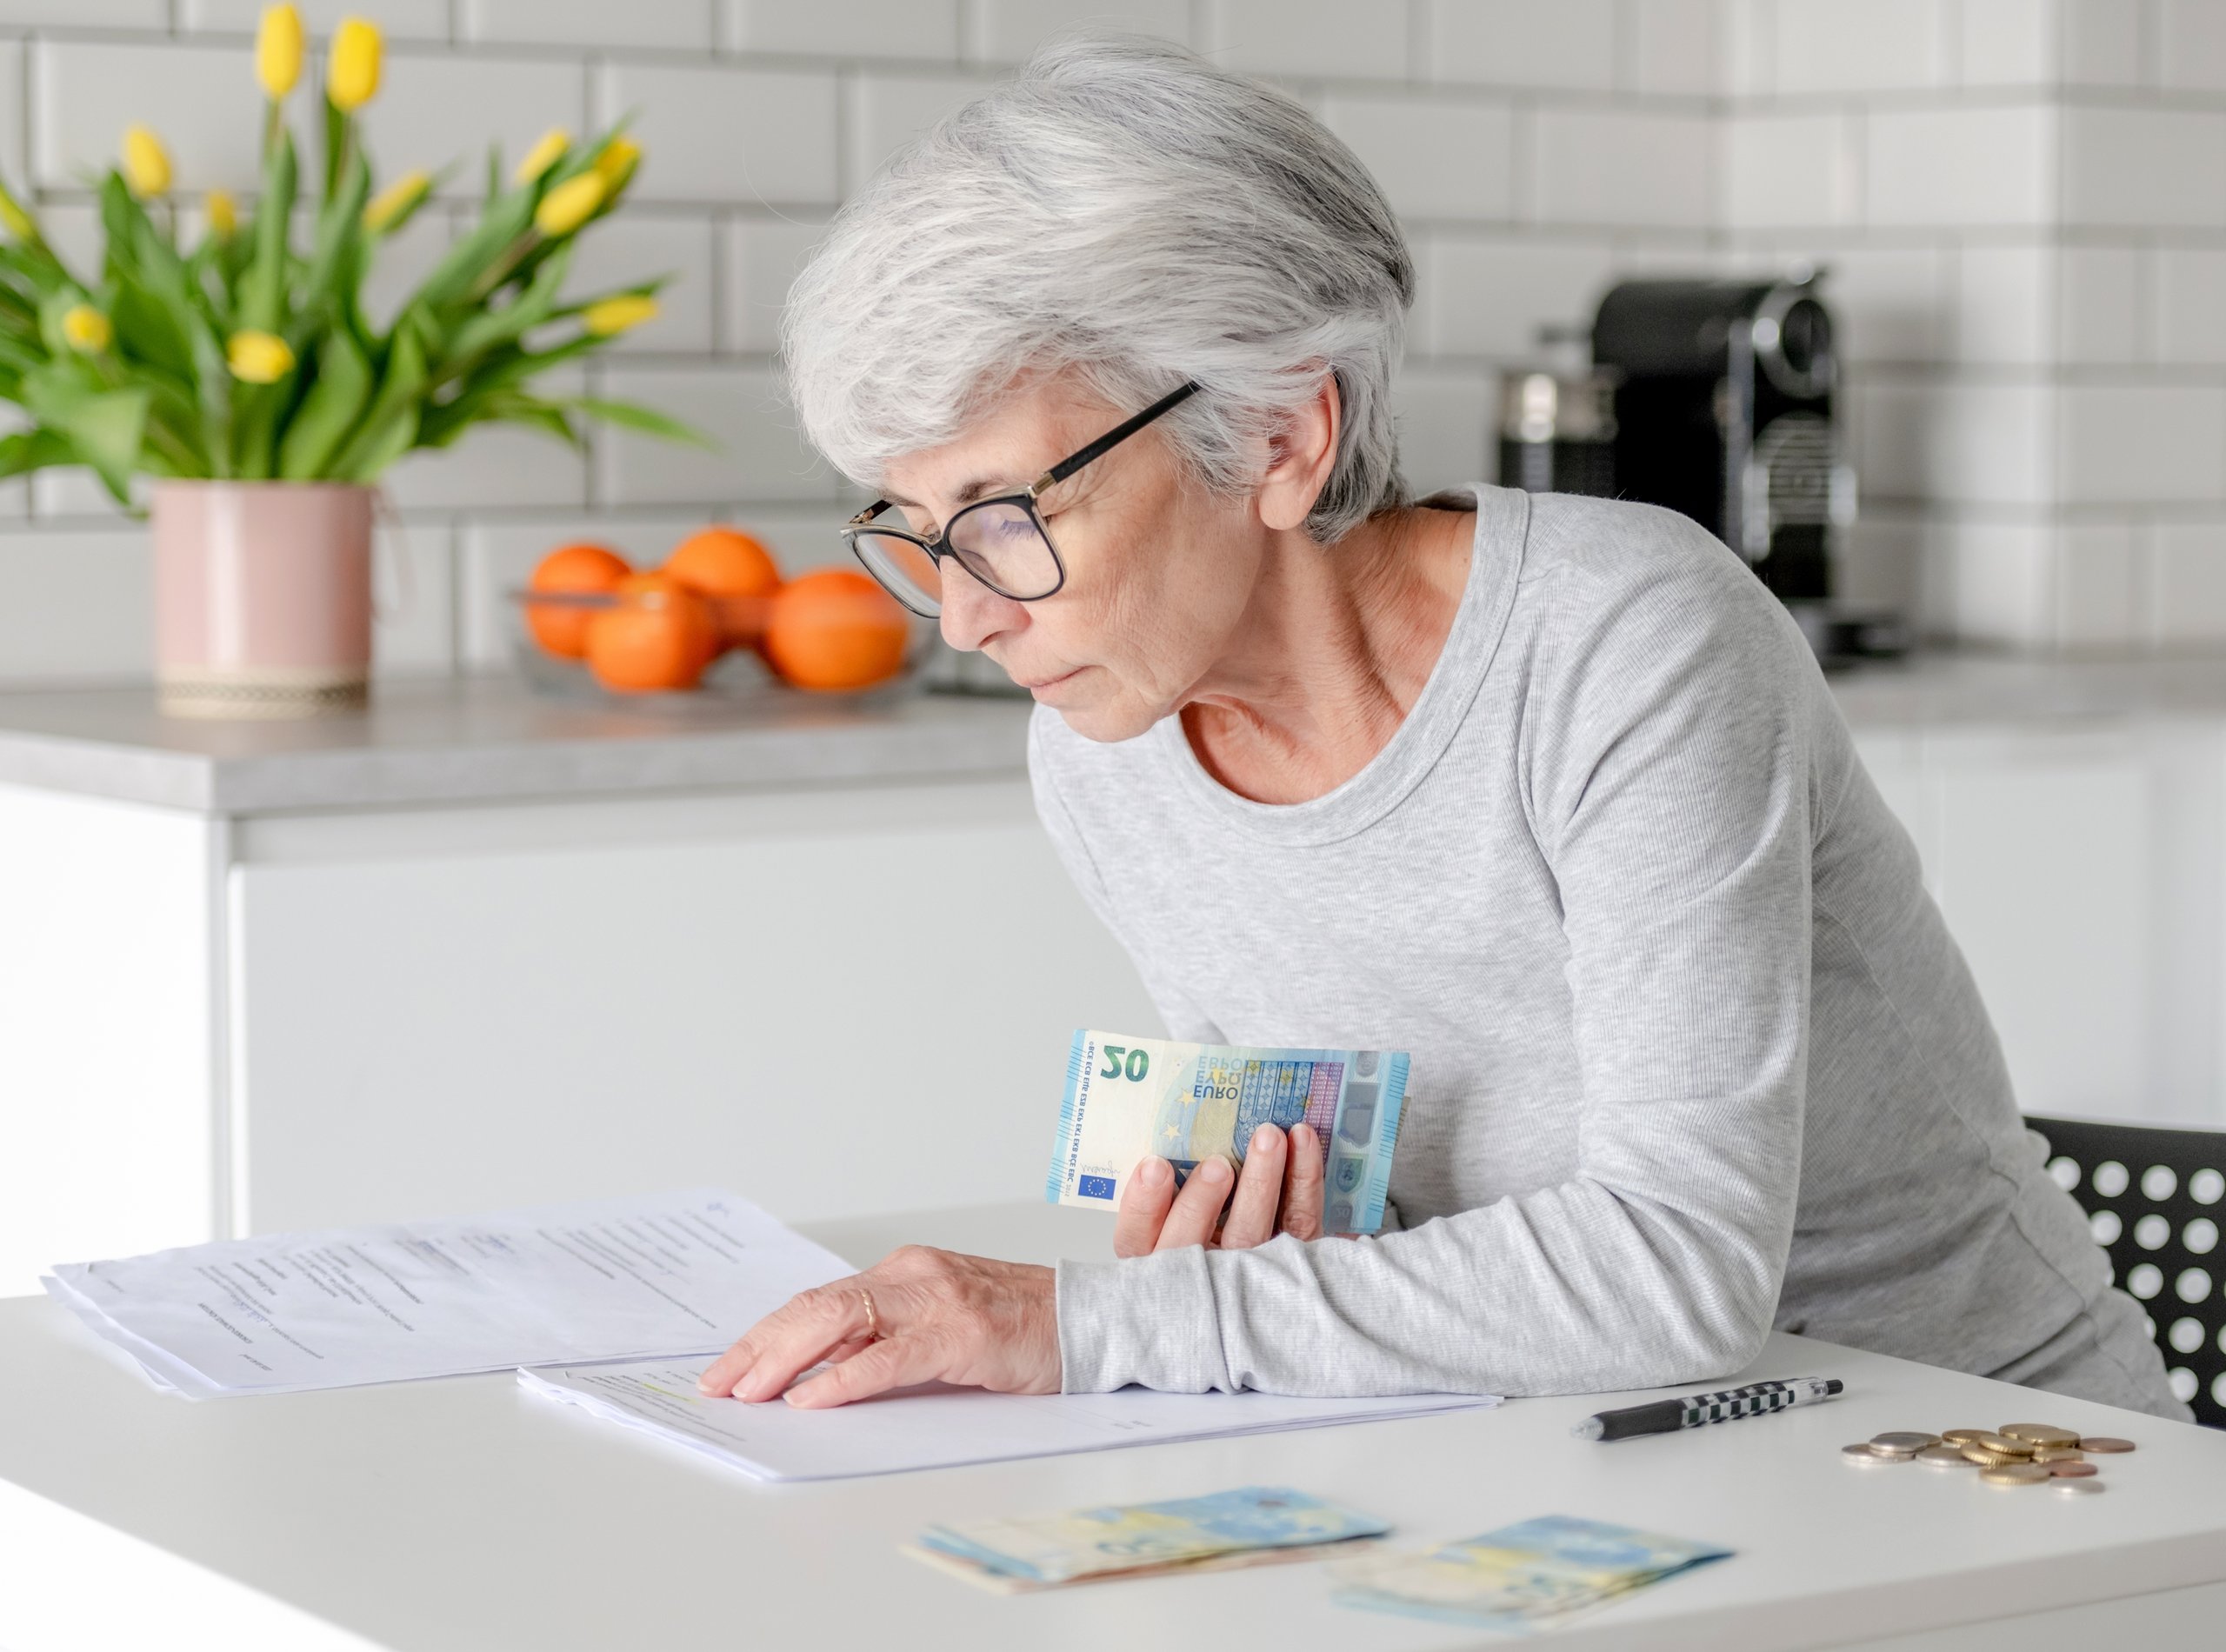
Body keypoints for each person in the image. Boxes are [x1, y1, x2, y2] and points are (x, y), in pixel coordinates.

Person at [696, 34, 2187, 1421]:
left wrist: (1095, 1327)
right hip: (1582, 1456)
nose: (963, 616)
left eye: (1011, 516)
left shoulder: (1626, 643)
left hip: (1985, 1456)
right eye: (916, 530)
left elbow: (1677, 1271)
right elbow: (1381, 1237)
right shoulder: (1104, 742)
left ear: (1282, 436)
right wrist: (1250, 1249)